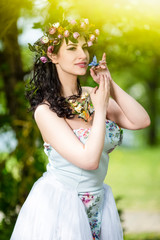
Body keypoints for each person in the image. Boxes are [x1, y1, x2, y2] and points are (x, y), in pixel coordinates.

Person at [10, 17, 150, 240]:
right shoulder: (45, 111)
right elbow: (89, 160)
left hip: (99, 203)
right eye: (73, 48)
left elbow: (141, 121)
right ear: (53, 55)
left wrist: (109, 83)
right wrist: (101, 109)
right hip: (62, 206)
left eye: (85, 47)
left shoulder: (92, 94)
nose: (83, 55)